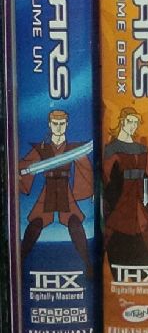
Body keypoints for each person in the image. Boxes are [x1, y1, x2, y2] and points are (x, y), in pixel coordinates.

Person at [17, 109, 93, 269]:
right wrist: (19, 173)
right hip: (48, 189)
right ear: (50, 124)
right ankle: (20, 261)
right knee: (36, 223)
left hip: (65, 190)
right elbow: (26, 164)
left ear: (67, 124)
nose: (59, 127)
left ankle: (87, 264)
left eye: (62, 124)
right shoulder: (42, 148)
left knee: (75, 223)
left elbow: (85, 169)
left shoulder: (73, 148)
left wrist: (92, 188)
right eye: (55, 124)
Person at [101, 106, 148, 268]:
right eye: (130, 121)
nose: (133, 126)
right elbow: (106, 177)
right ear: (122, 121)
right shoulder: (111, 148)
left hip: (140, 193)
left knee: (147, 227)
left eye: (135, 122)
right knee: (113, 227)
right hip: (121, 194)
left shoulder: (141, 148)